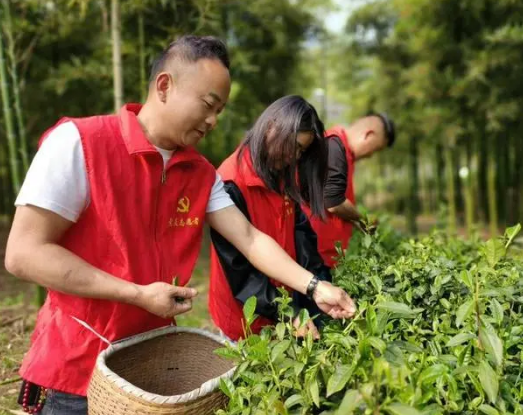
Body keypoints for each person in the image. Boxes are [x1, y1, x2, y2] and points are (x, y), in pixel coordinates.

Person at [4, 36, 355, 415]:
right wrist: (137, 294)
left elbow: (250, 238)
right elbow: (24, 255)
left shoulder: (201, 174)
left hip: (157, 370)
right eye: (208, 105)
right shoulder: (79, 144)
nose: (213, 120)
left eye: (219, 110)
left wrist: (316, 287)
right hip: (77, 371)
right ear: (164, 86)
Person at [209, 95, 334, 341]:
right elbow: (241, 273)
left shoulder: (281, 174)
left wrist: (321, 283)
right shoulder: (231, 183)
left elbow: (301, 235)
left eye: (302, 151)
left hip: (283, 303)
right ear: (271, 127)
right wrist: (288, 312)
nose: (296, 157)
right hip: (246, 319)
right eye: (295, 147)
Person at [306, 113, 396, 268]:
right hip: (313, 255)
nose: (370, 155)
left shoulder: (346, 154)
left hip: (327, 256)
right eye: (375, 149)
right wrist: (363, 221)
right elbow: (334, 203)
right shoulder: (334, 145)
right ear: (368, 135)